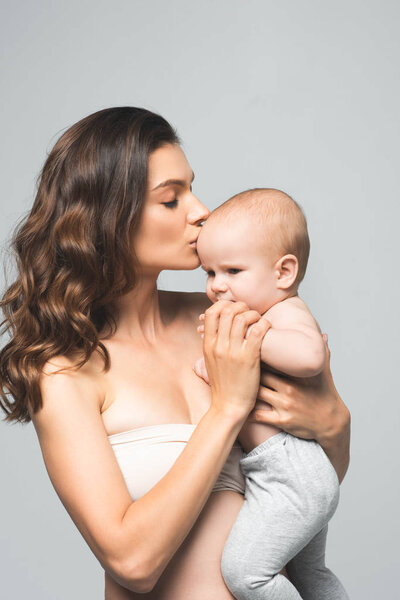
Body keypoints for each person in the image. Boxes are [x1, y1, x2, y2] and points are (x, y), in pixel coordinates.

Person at [0, 107, 351, 599]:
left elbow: (315, 478)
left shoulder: (228, 317)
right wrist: (227, 410)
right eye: (171, 199)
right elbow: (132, 561)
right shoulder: (64, 371)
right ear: (107, 218)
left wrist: (334, 423)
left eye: (192, 187)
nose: (200, 209)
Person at [193, 188, 349, 599]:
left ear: (283, 273)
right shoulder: (261, 315)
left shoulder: (283, 312)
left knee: (246, 573)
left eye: (233, 271)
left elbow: (310, 354)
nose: (217, 287)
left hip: (291, 473)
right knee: (310, 574)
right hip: (287, 473)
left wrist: (246, 338)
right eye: (209, 273)